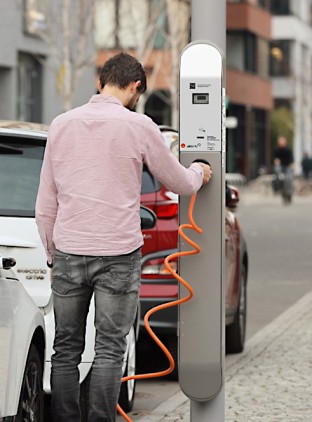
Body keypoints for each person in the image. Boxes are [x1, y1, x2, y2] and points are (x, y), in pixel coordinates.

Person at [35, 52, 212, 422]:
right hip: (118, 252)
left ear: (101, 82)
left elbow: (45, 203)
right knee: (110, 348)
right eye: (138, 93)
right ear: (135, 86)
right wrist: (198, 172)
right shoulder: (139, 125)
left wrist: (53, 255)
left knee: (65, 348)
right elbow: (177, 181)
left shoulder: (61, 125)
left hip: (69, 248)